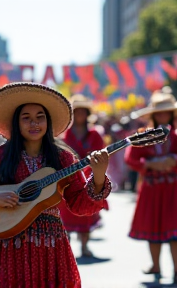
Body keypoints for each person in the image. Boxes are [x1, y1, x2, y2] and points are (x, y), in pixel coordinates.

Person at [0, 82, 111, 288]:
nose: (34, 123)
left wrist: (98, 178)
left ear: (49, 122)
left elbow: (80, 206)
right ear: (16, 123)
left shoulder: (63, 158)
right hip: (7, 245)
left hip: (51, 248)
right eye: (26, 118)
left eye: (40, 117)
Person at [125, 88, 177, 285]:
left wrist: (174, 160)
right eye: (160, 112)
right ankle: (156, 265)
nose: (163, 116)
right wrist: (149, 164)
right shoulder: (143, 135)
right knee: (153, 226)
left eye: (166, 112)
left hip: (174, 188)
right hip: (151, 187)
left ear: (172, 114)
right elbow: (131, 159)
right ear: (154, 115)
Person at [58, 94, 106, 257]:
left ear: (87, 114)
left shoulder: (95, 134)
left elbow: (102, 155)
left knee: (87, 212)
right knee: (66, 212)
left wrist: (95, 173)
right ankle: (67, 245)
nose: (80, 115)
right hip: (68, 180)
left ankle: (85, 246)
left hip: (88, 178)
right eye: (76, 112)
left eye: (82, 112)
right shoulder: (64, 136)